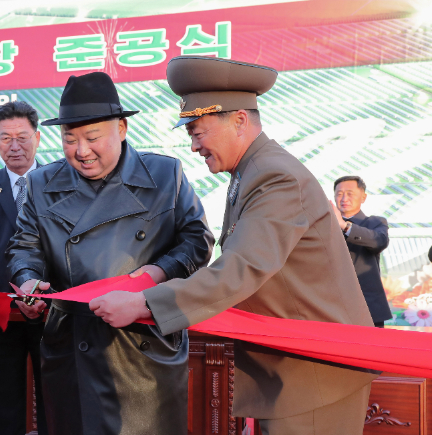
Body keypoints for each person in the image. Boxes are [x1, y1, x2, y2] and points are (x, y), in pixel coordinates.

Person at [89, 56, 379, 435]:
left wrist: (142, 303)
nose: (194, 146)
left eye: (198, 132)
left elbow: (240, 269)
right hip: (295, 373)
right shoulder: (252, 171)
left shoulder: (274, 177)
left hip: (313, 378)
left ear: (240, 120)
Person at [6, 72, 214, 435]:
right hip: (73, 347)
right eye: (69, 139)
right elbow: (25, 246)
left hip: (143, 350)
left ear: (121, 128)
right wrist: (28, 282)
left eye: (91, 137)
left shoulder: (165, 174)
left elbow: (197, 241)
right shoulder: (41, 184)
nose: (81, 151)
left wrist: (153, 275)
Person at [0, 101, 47, 435]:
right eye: (6, 138)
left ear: (38, 138)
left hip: (51, 307)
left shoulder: (60, 182)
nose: (15, 146)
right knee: (0, 397)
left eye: (22, 137)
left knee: (56, 395)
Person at [331, 175, 392, 328]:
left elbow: (379, 241)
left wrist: (345, 226)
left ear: (363, 197)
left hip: (366, 304)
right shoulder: (324, 224)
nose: (344, 198)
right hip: (331, 303)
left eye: (350, 193)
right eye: (339, 194)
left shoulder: (374, 222)